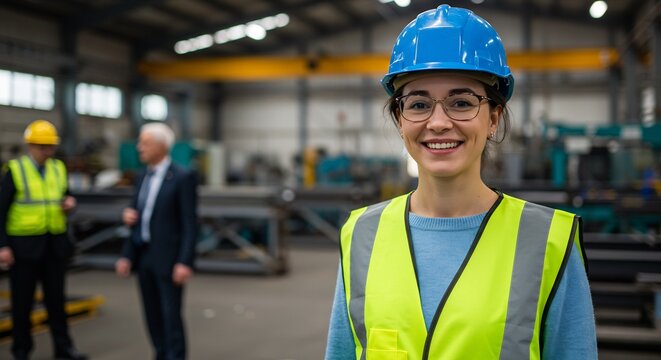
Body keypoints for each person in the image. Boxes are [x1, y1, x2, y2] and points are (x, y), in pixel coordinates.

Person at [325, 5, 597, 360]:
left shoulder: (549, 243)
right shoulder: (362, 233)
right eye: (419, 104)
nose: (438, 122)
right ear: (400, 120)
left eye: (461, 102)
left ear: (493, 118)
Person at [0, 120, 88, 360]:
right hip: (24, 247)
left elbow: (64, 196)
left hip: (54, 245)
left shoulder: (58, 168)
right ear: (30, 145)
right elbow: (1, 211)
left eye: (50, 147)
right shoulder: (15, 170)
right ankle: (21, 351)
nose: (47, 151)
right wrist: (3, 246)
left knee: (56, 301)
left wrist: (69, 203)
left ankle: (64, 349)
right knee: (22, 303)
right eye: (42, 146)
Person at [115, 122, 198, 360]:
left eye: (145, 143)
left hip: (170, 258)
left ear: (162, 146)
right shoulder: (142, 176)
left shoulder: (183, 177)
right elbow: (137, 217)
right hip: (144, 255)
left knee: (171, 315)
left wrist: (185, 261)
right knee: (151, 314)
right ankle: (160, 354)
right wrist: (126, 255)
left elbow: (189, 223)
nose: (139, 148)